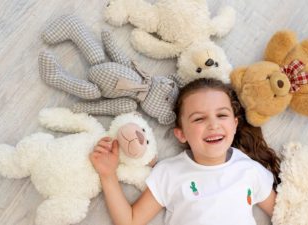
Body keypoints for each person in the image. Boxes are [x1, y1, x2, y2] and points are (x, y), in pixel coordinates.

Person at [90, 78, 281, 225]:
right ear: (181, 134)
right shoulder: (170, 172)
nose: (213, 125)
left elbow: (284, 216)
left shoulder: (249, 170)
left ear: (234, 124)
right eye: (199, 119)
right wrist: (107, 175)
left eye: (222, 115)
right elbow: (130, 221)